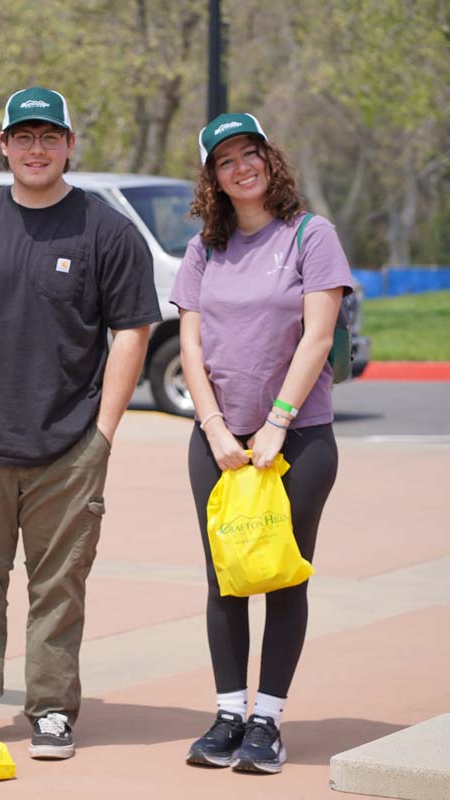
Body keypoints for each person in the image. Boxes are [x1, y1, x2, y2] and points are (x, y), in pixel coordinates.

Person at [0, 87, 160, 759]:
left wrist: (104, 432)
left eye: (48, 137)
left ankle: (52, 710)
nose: (35, 148)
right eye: (23, 137)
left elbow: (133, 331)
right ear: (2, 146)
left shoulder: (106, 231)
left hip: (68, 445)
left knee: (59, 589)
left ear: (69, 144)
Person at [171, 113, 352, 774]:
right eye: (226, 161)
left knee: (280, 575)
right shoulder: (203, 250)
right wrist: (217, 428)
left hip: (297, 440)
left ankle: (267, 722)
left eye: (251, 153)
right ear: (212, 179)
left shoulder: (311, 235)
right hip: (217, 440)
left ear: (270, 160)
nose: (241, 167)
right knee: (225, 577)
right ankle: (226, 715)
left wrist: (276, 421)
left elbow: (318, 337)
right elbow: (190, 344)